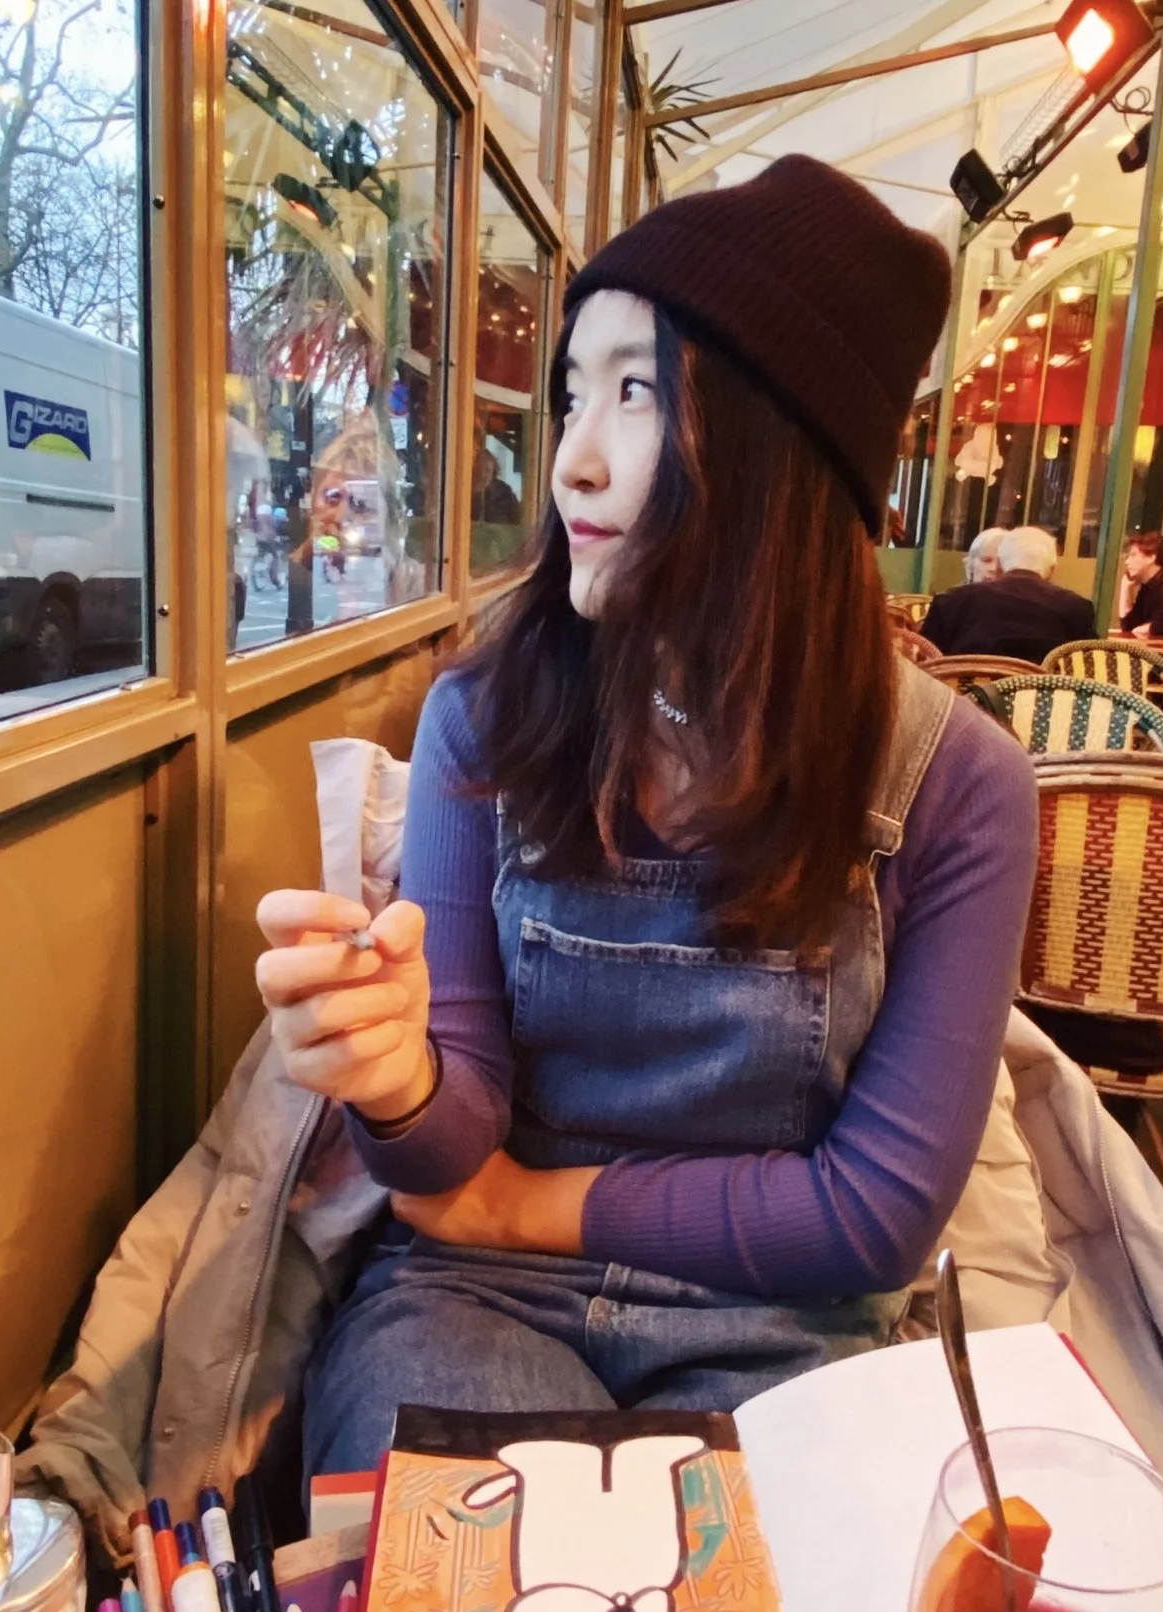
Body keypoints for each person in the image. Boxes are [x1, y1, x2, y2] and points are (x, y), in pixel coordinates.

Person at [251, 156, 1040, 1478]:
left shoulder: (955, 786)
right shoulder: (482, 721)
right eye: (571, 394)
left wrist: (518, 1202)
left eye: (637, 392)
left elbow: (874, 1217)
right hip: (475, 1299)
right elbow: (450, 1150)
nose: (571, 458)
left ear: (788, 447)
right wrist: (395, 1083)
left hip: (785, 1328)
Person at [918, 525, 1096, 660]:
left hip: (966, 701)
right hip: (1044, 706)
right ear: (1052, 569)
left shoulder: (950, 602)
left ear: (1000, 565)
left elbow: (924, 663)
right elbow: (1087, 670)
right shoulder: (1077, 609)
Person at [473, 446, 523, 527]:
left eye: (487, 470)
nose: (483, 475)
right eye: (480, 470)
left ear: (493, 471)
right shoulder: (465, 492)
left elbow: (518, 520)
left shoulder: (505, 493)